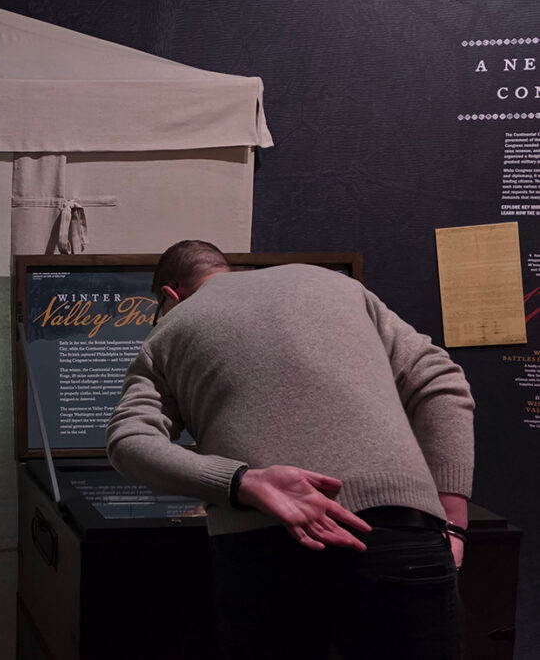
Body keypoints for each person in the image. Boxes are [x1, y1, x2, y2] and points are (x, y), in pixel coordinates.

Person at [106, 240, 475, 660]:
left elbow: (128, 441)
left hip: (265, 544)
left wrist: (243, 482)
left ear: (170, 295)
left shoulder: (170, 327)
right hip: (403, 535)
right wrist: (452, 522)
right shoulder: (338, 286)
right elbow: (442, 381)